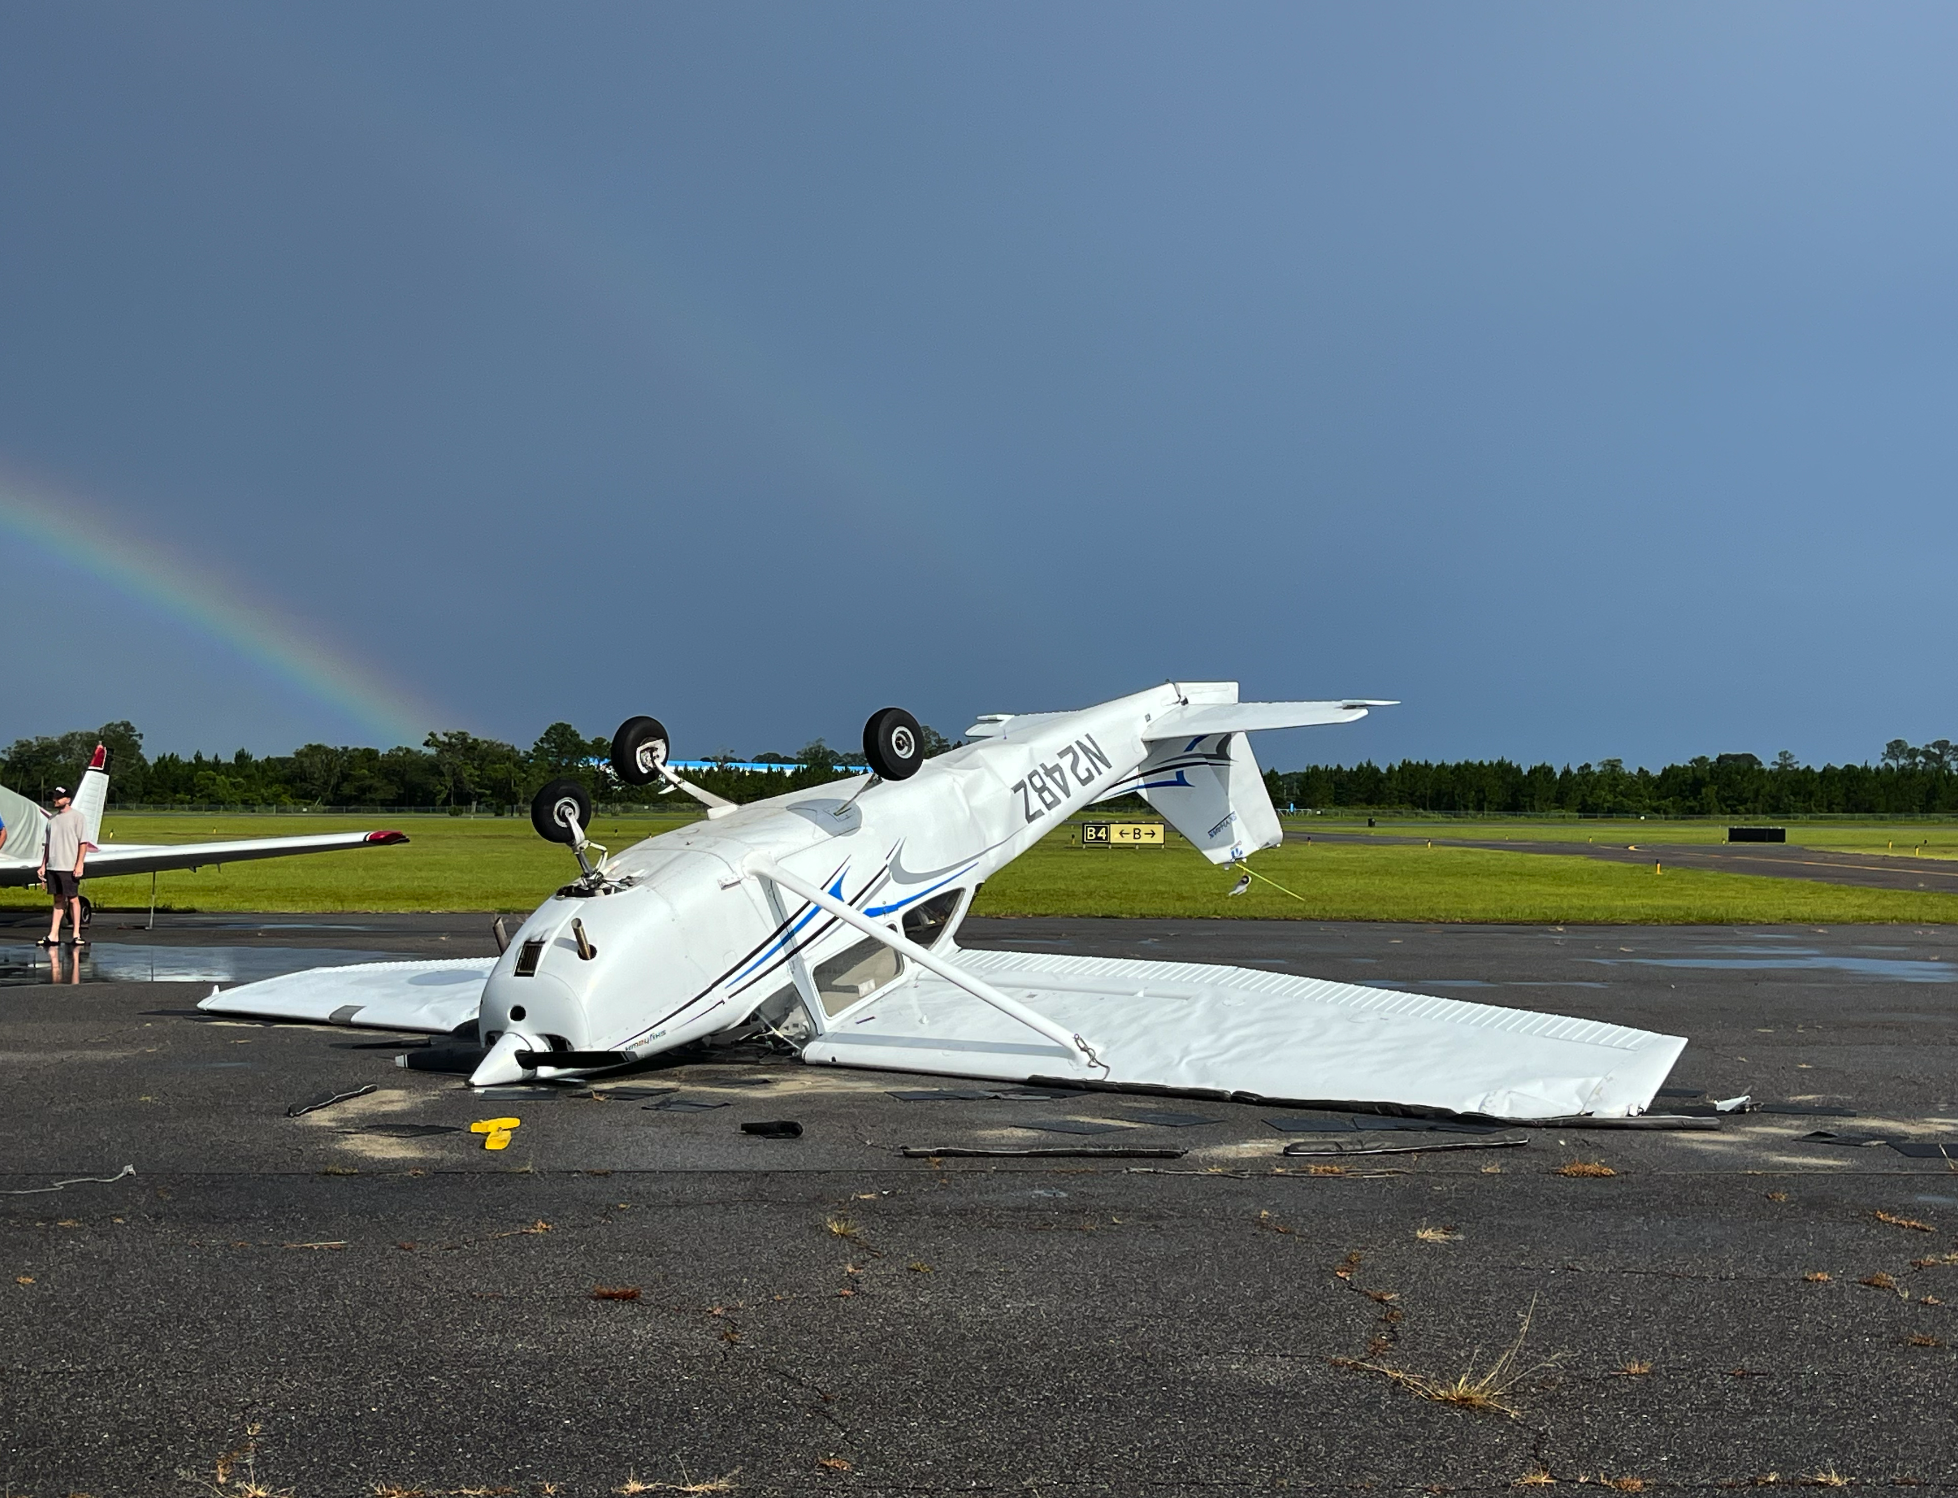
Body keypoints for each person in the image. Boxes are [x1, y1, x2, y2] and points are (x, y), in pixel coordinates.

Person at [38, 787, 87, 948]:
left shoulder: (77, 817)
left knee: (73, 898)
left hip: (69, 865)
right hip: (54, 865)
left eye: (59, 798)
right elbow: (48, 844)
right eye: (54, 798)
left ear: (68, 799)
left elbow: (83, 843)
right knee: (58, 898)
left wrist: (79, 863)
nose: (55, 801)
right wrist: (43, 865)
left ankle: (76, 934)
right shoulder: (51, 820)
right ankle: (54, 935)